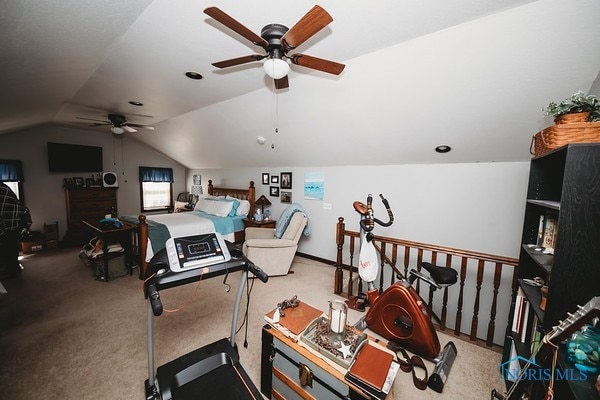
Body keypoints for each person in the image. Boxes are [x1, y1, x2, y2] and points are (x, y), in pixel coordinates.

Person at [0, 183, 31, 279]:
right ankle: (13, 268)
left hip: (17, 218)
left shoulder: (2, 187)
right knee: (11, 242)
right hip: (20, 216)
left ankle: (12, 270)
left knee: (9, 243)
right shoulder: (3, 186)